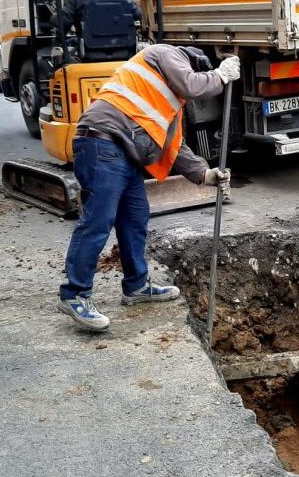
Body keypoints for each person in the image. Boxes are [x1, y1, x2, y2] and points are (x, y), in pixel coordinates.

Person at [57, 44, 240, 332]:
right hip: (102, 142)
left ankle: (137, 286)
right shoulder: (167, 54)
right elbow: (193, 85)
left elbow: (173, 146)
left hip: (123, 153)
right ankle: (75, 294)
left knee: (135, 218)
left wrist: (204, 174)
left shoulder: (169, 101)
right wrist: (220, 76)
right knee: (98, 221)